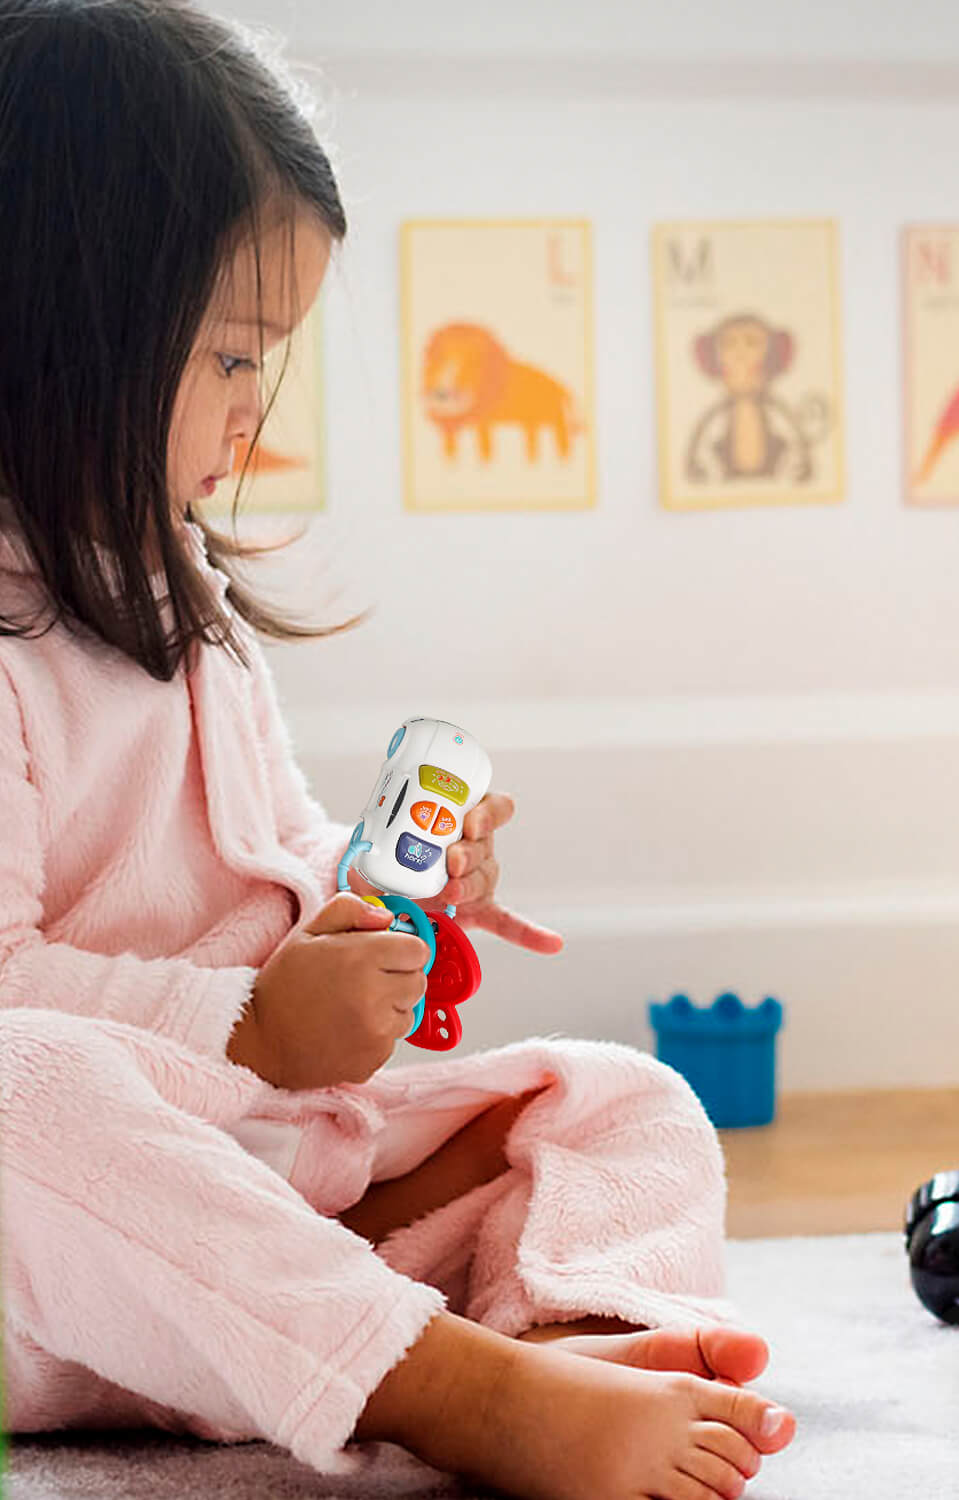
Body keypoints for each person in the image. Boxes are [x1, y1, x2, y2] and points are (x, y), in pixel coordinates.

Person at [0, 4, 795, 1496]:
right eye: (232, 358)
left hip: (282, 1188)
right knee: (11, 1087)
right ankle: (454, 1389)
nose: (255, 411)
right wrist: (245, 1029)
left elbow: (276, 846)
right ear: (61, 322)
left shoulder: (185, 602)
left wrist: (380, 894)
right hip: (73, 1259)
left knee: (617, 1096)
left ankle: (573, 1324)